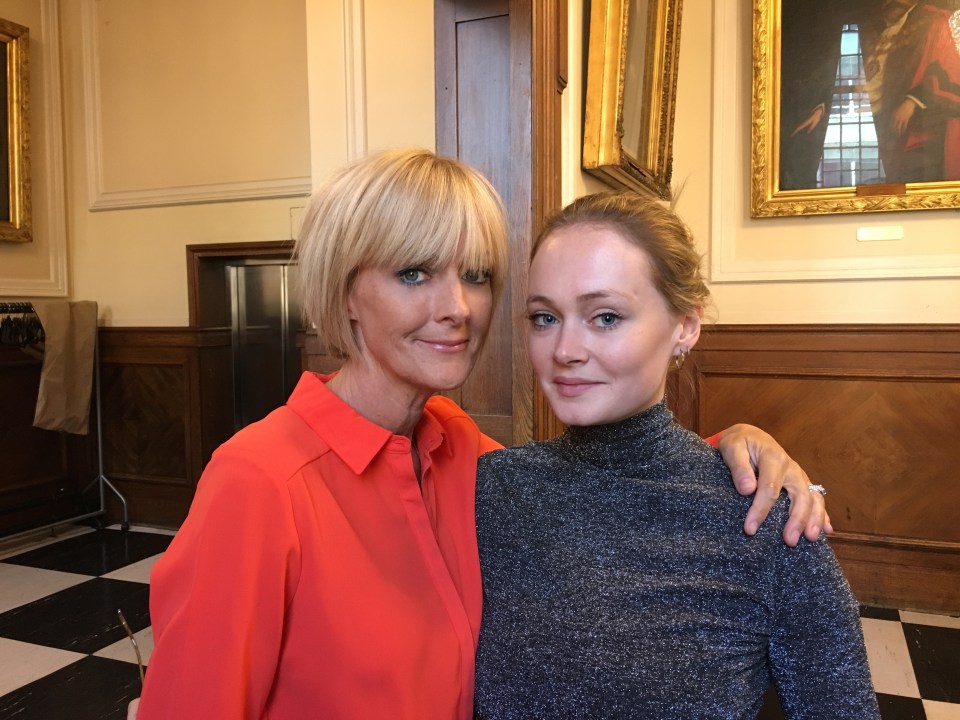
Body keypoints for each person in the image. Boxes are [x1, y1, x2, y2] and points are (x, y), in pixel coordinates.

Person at [130, 149, 828, 720]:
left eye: (476, 275)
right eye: (414, 273)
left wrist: (735, 452)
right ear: (345, 292)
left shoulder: (454, 444)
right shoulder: (261, 480)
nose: (457, 307)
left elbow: (601, 490)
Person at [473, 192, 879, 718]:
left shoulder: (764, 514)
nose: (565, 350)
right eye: (544, 318)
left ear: (685, 325)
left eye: (605, 317)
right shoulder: (491, 490)